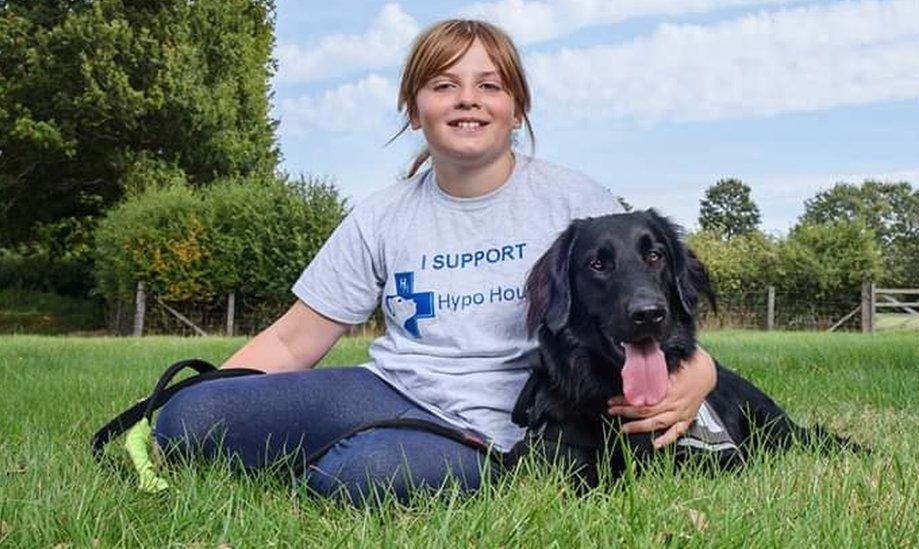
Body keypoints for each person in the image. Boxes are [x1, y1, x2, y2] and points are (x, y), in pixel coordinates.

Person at [154, 18, 717, 506]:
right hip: (389, 388)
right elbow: (290, 343)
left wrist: (702, 372)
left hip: (503, 424)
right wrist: (208, 398)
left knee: (356, 476)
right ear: (414, 109)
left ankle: (354, 456)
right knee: (188, 417)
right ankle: (324, 441)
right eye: (444, 84)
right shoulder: (381, 216)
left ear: (516, 108)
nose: (467, 99)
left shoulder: (575, 200)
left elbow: (643, 296)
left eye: (489, 85)